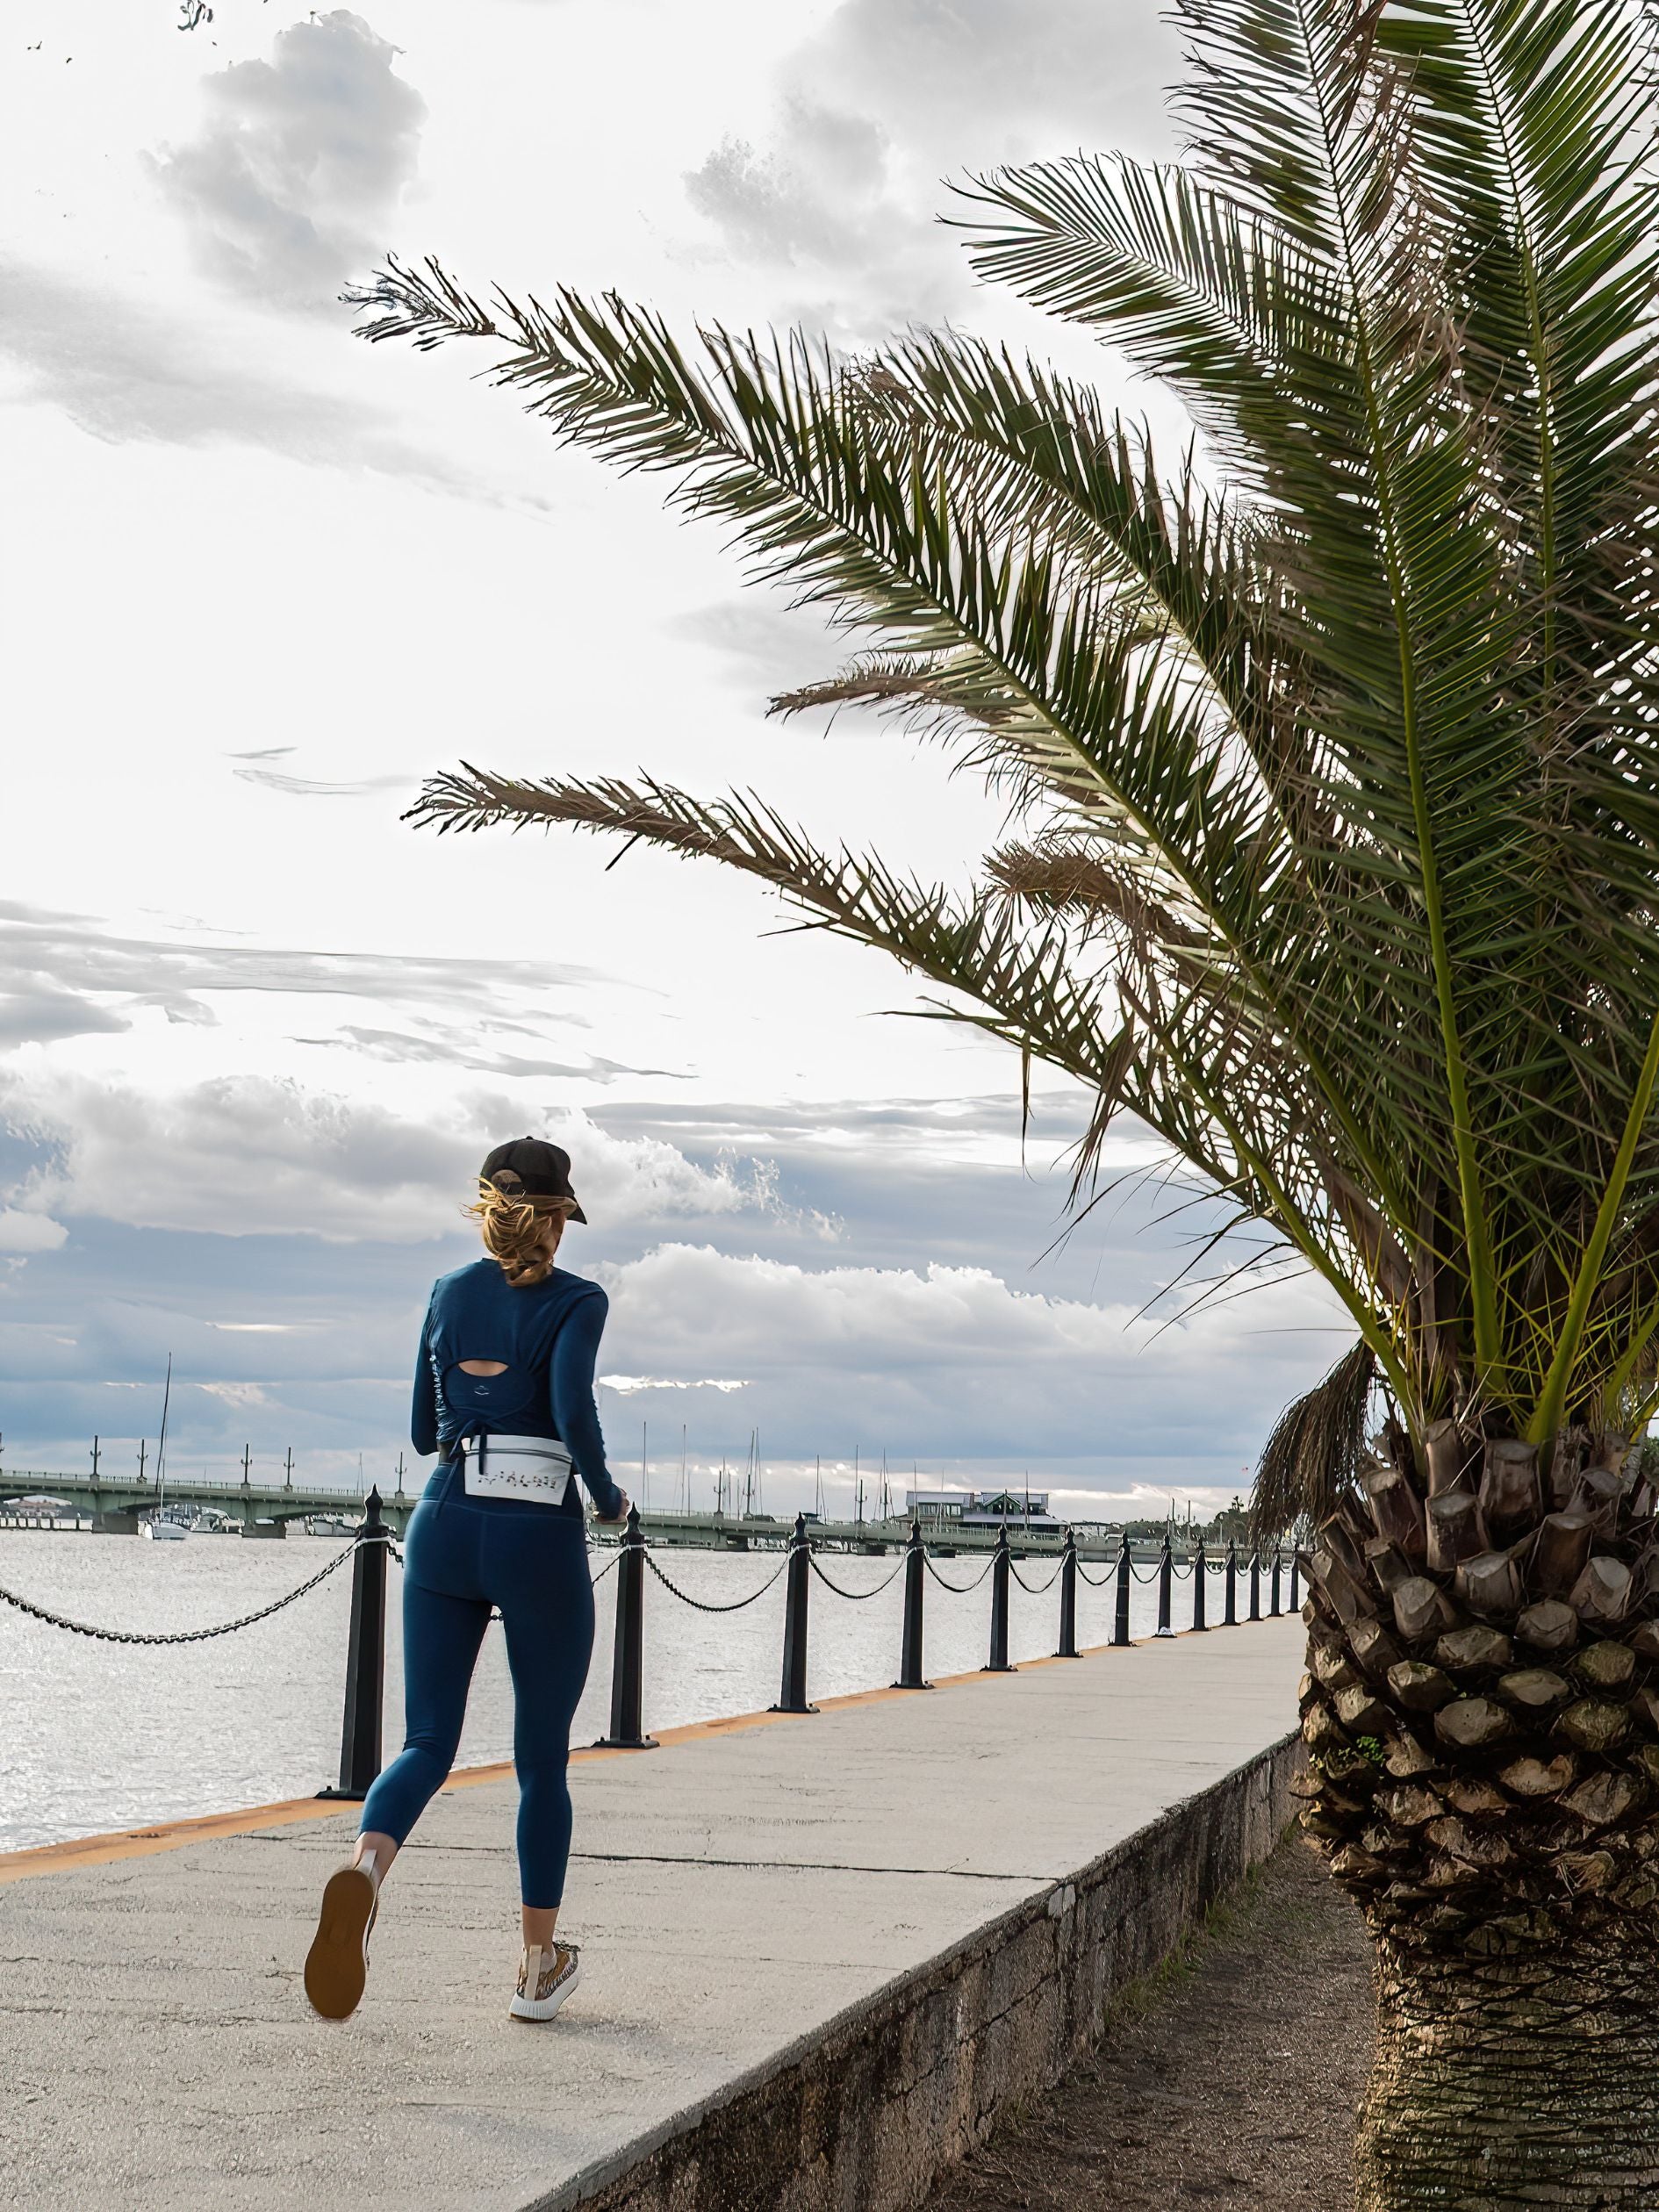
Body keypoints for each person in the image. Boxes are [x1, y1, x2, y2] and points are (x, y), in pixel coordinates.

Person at [304, 1137, 629, 2025]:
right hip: (538, 1531)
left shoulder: (446, 1294)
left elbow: (422, 1430)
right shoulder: (579, 1301)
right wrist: (608, 1497)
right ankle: (536, 1969)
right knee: (541, 1762)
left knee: (426, 1741)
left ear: (487, 1212)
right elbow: (571, 1412)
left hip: (445, 1516)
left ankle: (366, 1872)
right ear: (556, 1221)